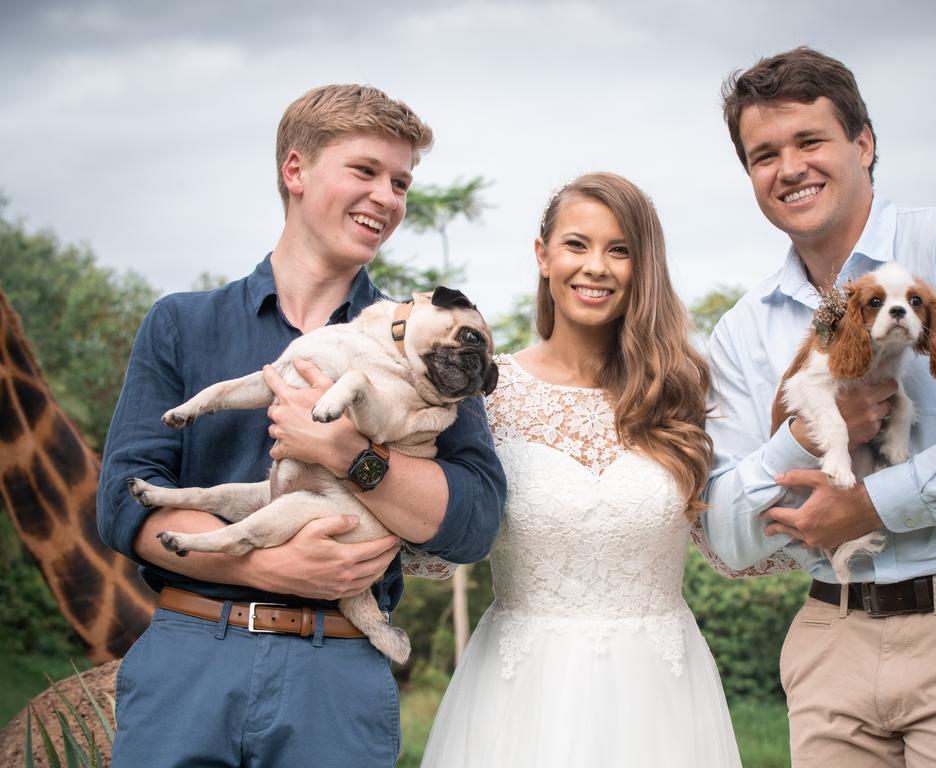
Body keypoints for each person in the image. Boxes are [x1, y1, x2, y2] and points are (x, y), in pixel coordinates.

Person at [97, 84, 505, 767]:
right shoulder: (182, 323)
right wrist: (267, 562)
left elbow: (474, 522)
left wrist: (353, 457)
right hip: (191, 657)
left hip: (335, 672)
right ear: (295, 171)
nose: (387, 197)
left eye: (401, 182)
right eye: (366, 171)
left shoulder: (434, 349)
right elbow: (122, 503)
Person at [704, 47, 936, 766]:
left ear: (864, 143)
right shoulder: (745, 329)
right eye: (764, 154)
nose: (789, 168)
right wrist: (805, 438)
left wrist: (872, 504)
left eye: (809, 141)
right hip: (829, 641)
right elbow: (726, 533)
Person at [420, 172, 743, 767]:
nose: (596, 266)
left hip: (661, 694)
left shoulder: (681, 393)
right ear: (542, 256)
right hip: (520, 696)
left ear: (642, 267)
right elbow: (438, 541)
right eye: (577, 244)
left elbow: (732, 539)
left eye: (619, 250)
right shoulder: (486, 395)